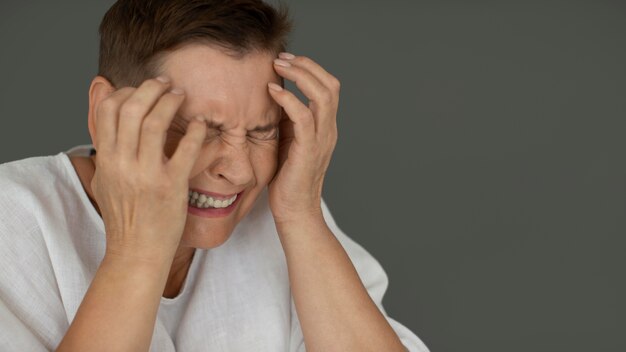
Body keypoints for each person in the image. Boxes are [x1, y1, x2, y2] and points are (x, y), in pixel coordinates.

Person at [0, 1, 430, 351]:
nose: (239, 170)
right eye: (195, 131)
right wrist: (138, 253)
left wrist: (302, 216)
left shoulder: (280, 214)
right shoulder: (12, 221)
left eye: (262, 132)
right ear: (104, 111)